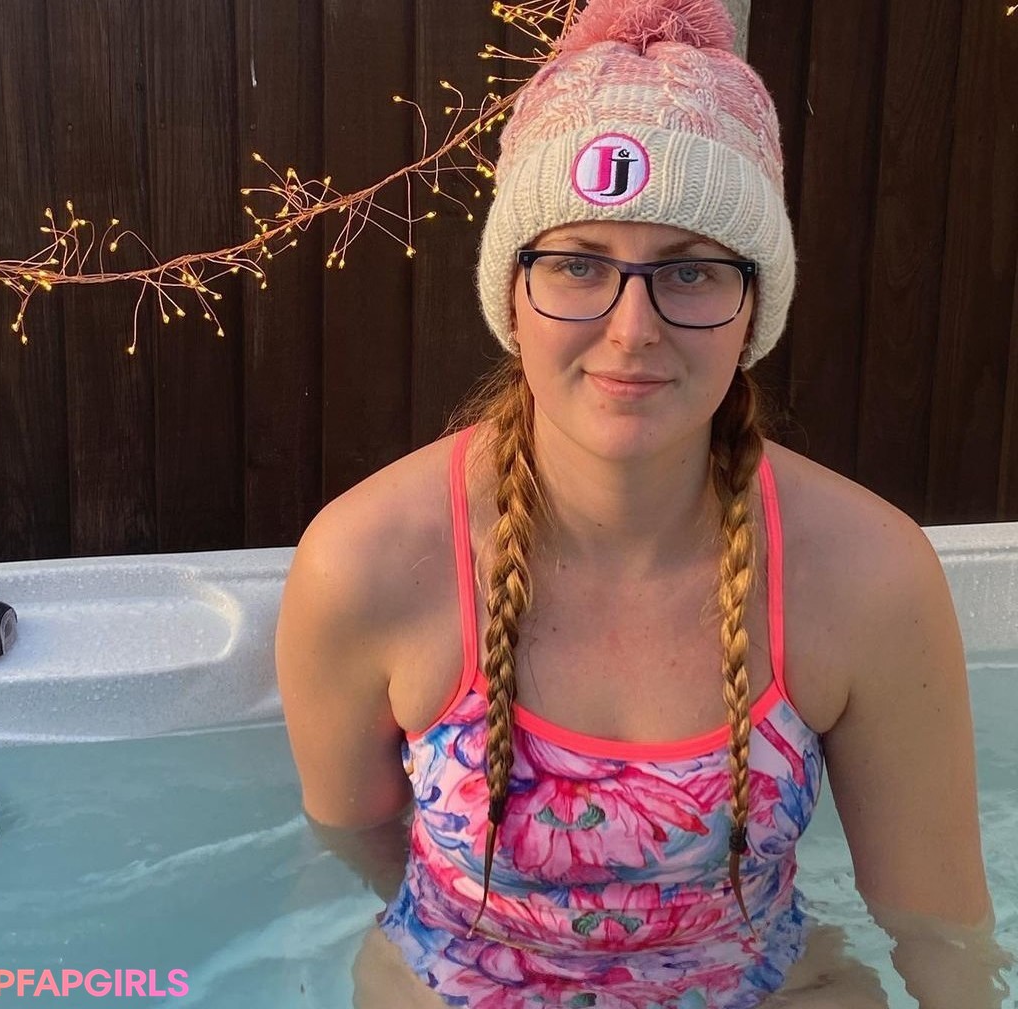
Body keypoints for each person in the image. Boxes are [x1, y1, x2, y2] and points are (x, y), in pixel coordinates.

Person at [276, 1, 1004, 1005]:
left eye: (691, 271)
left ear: (754, 306)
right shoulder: (365, 561)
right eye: (578, 263)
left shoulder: (870, 575)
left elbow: (942, 935)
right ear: (512, 294)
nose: (632, 331)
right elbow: (355, 838)